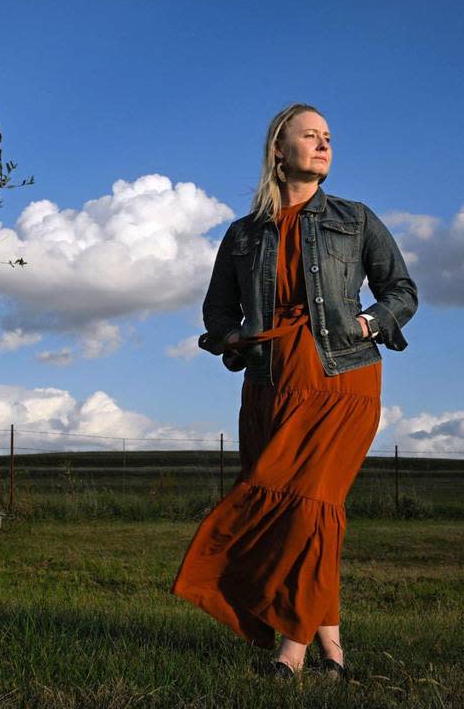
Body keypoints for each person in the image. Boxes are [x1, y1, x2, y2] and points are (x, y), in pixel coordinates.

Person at [172, 103, 417, 679]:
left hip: (341, 376)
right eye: (310, 135)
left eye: (328, 136)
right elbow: (216, 309)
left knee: (309, 504)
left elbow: (401, 290)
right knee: (302, 507)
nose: (323, 143)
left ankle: (293, 648)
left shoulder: (355, 219)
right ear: (279, 150)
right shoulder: (243, 233)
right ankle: (331, 645)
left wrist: (368, 322)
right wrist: (236, 338)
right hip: (269, 380)